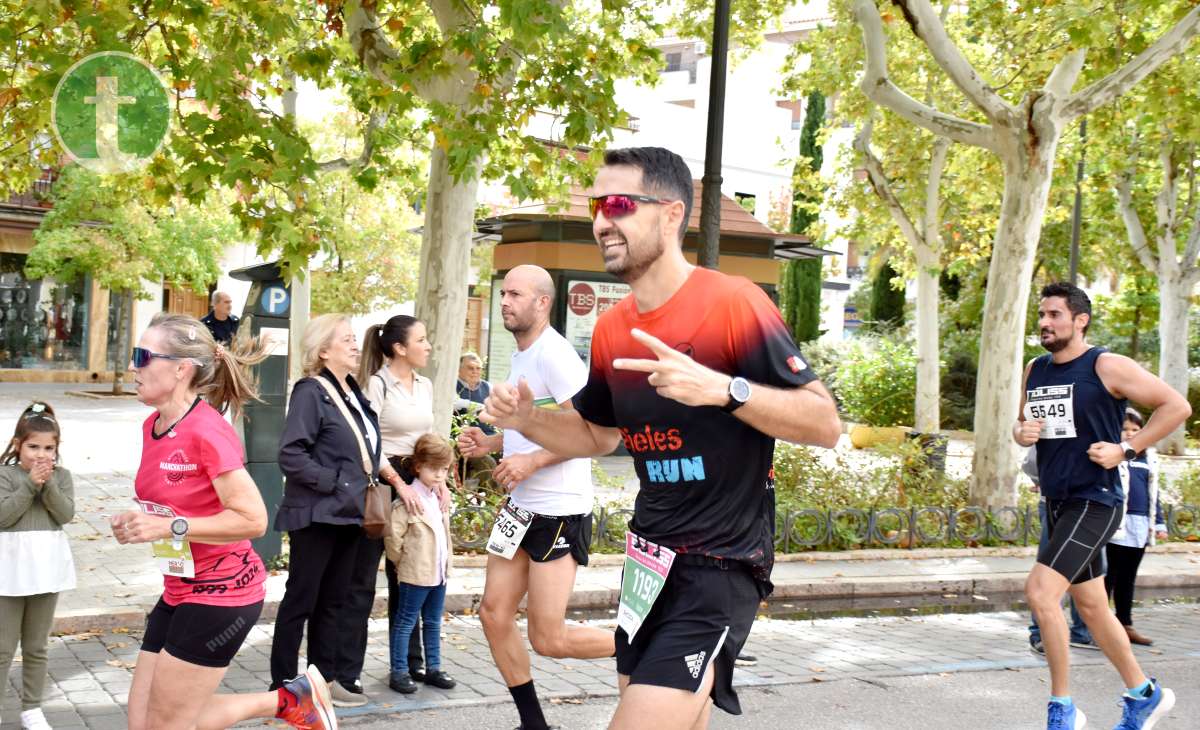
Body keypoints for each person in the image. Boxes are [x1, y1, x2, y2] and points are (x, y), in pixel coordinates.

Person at [481, 148, 842, 730]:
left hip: (719, 564)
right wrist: (528, 420)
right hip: (647, 561)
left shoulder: (733, 303)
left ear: (671, 215)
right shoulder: (613, 327)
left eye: (620, 203)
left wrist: (727, 390)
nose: (602, 220)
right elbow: (597, 435)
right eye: (598, 205)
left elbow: (824, 422)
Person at [113, 312, 335, 730]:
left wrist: (171, 526)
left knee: (167, 724)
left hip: (223, 593)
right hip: (179, 586)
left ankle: (287, 700)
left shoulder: (206, 431)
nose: (132, 367)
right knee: (144, 721)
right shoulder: (153, 425)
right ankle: (291, 700)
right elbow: (176, 504)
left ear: (181, 369)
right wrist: (140, 520)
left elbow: (253, 518)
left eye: (142, 356)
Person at [1017, 282, 1191, 730]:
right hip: (1056, 500)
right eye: (1042, 314)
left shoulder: (1106, 365)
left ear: (1080, 320)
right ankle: (1143, 695)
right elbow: (1023, 427)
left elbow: (1176, 407)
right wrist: (1022, 433)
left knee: (1041, 594)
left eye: (1055, 314)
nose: (1044, 322)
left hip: (1096, 499)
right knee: (1092, 607)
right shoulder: (1035, 369)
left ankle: (1063, 709)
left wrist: (1125, 450)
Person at [459, 264, 615, 730]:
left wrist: (532, 463)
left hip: (558, 511)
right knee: (492, 613)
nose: (504, 301)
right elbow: (533, 426)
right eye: (503, 293)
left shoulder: (556, 356)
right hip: (520, 508)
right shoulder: (521, 355)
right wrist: (492, 444)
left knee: (549, 638)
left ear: (542, 302)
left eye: (515, 294)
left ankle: (645, 645)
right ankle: (535, 725)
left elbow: (590, 435)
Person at [271, 314, 382, 710]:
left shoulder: (351, 391)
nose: (355, 345)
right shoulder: (311, 392)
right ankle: (283, 687)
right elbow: (290, 454)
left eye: (355, 338)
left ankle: (324, 681)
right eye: (347, 339)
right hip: (318, 514)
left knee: (335, 601)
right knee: (301, 600)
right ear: (323, 350)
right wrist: (335, 482)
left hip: (349, 514)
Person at [360, 314, 450, 692]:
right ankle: (398, 666)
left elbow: (427, 436)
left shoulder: (425, 385)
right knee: (395, 575)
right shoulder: (378, 385)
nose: (428, 346)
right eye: (421, 340)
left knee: (420, 573)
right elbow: (370, 441)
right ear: (399, 347)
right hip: (389, 483)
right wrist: (400, 483)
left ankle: (419, 664)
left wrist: (439, 480)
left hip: (419, 480)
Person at [0, 402, 75, 730]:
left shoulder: (62, 477)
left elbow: (65, 514)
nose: (41, 455)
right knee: (3, 648)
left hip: (46, 569)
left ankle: (32, 708)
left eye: (49, 448)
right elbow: (4, 516)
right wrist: (30, 483)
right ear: (18, 445)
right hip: (9, 569)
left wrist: (48, 486)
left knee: (37, 646)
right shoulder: (5, 475)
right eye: (33, 447)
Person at [383, 433, 457, 694]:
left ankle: (434, 667)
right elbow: (393, 539)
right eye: (433, 469)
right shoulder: (407, 501)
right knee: (406, 621)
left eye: (444, 470)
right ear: (418, 467)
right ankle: (399, 671)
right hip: (415, 573)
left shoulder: (439, 497)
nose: (439, 475)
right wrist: (403, 563)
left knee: (434, 621)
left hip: (438, 572)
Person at [1022, 447, 1096, 655]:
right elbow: (1031, 459)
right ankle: (1040, 634)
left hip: (1096, 509)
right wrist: (1049, 479)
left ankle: (1083, 632)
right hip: (1059, 505)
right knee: (1049, 575)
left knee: (1087, 576)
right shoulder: (1058, 420)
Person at [1106, 408, 1168, 647]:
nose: (1130, 433)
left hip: (1140, 524)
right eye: (1125, 429)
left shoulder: (1147, 458)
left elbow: (1154, 494)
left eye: (1135, 429)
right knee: (1108, 576)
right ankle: (1101, 628)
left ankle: (1125, 624)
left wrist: (1159, 522)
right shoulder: (1112, 455)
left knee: (1128, 577)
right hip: (1116, 523)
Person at [455, 352, 496, 434]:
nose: (475, 371)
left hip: (489, 437)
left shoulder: (488, 387)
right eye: (470, 368)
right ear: (459, 369)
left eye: (478, 368)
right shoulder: (452, 386)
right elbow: (454, 402)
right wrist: (478, 406)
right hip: (462, 439)